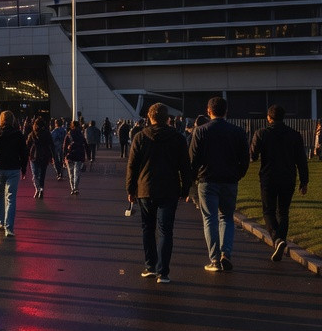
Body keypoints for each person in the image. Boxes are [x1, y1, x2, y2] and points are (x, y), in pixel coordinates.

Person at [126, 103, 192, 284]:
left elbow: (132, 166)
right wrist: (186, 189)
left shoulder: (140, 137)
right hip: (169, 189)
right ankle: (163, 272)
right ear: (168, 118)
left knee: (148, 229)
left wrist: (130, 190)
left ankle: (150, 266)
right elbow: (185, 166)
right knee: (165, 231)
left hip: (145, 188)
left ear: (149, 117)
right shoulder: (177, 138)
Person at [188, 96, 250, 273]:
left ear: (209, 111)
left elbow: (193, 159)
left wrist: (191, 181)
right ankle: (226, 254)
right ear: (226, 111)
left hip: (207, 180)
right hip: (230, 180)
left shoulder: (200, 131)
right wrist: (238, 175)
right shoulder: (237, 132)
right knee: (227, 218)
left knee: (210, 219)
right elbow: (245, 159)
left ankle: (214, 259)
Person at [250, 105, 310, 261]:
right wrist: (304, 181)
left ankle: (277, 239)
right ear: (283, 117)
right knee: (283, 211)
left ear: (269, 118)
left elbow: (253, 156)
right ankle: (281, 239)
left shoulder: (261, 134)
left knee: (268, 211)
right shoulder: (295, 135)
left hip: (268, 177)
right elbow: (301, 161)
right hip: (288, 176)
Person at [0, 111, 28, 236]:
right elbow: (24, 153)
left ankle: (0, 222)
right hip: (13, 168)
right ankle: (9, 228)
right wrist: (24, 168)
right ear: (12, 120)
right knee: (11, 198)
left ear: (0, 120)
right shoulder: (18, 134)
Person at [26, 116, 54, 200]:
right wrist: (52, 156)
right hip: (44, 156)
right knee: (42, 175)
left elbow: (28, 145)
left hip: (34, 156)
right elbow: (51, 145)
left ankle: (37, 189)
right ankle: (41, 189)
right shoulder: (47, 133)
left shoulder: (32, 134)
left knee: (35, 175)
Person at [63, 120, 88, 195]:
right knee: (77, 173)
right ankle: (76, 188)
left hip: (70, 156)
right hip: (79, 155)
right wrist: (88, 156)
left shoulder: (68, 134)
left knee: (71, 174)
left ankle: (72, 189)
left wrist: (64, 156)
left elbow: (64, 146)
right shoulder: (81, 135)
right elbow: (86, 145)